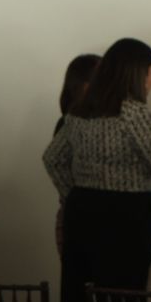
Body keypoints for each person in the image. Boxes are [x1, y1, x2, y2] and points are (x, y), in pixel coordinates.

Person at [43, 39, 151, 302]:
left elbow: (53, 158)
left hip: (82, 213)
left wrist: (73, 195)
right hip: (126, 218)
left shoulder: (81, 109)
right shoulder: (133, 113)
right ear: (135, 74)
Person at [53, 52, 101, 253]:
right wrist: (76, 199)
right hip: (77, 218)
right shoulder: (71, 123)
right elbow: (54, 161)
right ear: (84, 85)